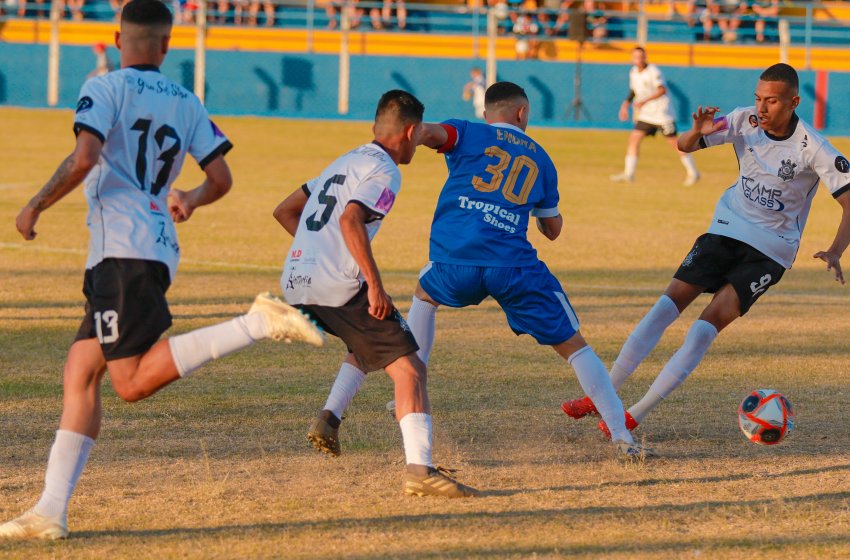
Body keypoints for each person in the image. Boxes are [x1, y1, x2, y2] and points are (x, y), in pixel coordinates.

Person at [0, 0, 324, 541]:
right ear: (167, 45)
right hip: (151, 245)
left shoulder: (104, 86)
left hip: (122, 250)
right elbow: (220, 178)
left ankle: (257, 323)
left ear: (118, 39)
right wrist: (189, 198)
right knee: (81, 370)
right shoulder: (186, 100)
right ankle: (49, 511)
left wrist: (35, 204)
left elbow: (84, 158)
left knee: (128, 382)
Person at [306, 81, 655, 464]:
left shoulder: (468, 132)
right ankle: (621, 437)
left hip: (456, 258)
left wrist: (405, 141)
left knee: (425, 294)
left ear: (487, 113)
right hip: (513, 265)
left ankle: (410, 386)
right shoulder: (541, 158)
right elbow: (552, 229)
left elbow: (429, 132)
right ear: (522, 113)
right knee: (574, 346)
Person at [563, 63, 850, 439]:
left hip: (770, 252)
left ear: (794, 102)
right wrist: (696, 132)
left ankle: (633, 415)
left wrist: (835, 250)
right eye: (758, 98)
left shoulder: (815, 148)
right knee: (664, 308)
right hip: (725, 230)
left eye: (772, 101)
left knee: (703, 329)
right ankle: (600, 396)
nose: (762, 107)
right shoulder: (743, 120)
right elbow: (685, 146)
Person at [274, 90, 477, 499]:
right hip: (336, 285)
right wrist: (375, 285)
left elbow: (285, 210)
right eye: (419, 135)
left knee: (369, 342)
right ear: (411, 132)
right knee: (410, 369)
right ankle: (420, 471)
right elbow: (351, 219)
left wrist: (318, 252)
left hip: (295, 282)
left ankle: (329, 419)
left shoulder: (344, 161)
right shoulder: (386, 171)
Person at [611, 47, 700, 187]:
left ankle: (693, 172)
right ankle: (629, 173)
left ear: (645, 57)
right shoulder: (633, 72)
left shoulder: (653, 71)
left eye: (641, 56)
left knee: (675, 143)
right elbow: (633, 90)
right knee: (634, 138)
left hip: (662, 114)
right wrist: (625, 104)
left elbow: (662, 90)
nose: (638, 59)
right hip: (646, 115)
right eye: (635, 57)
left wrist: (644, 101)